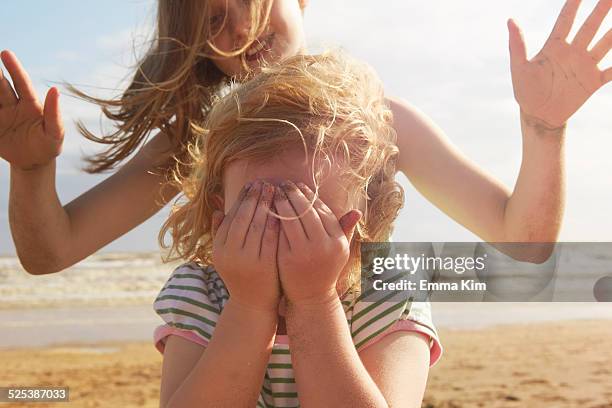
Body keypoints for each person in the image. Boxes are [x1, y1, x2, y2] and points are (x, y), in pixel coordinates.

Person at [2, 0, 610, 274]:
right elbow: (50, 252)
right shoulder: (194, 140)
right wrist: (31, 173)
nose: (240, 25)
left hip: (359, 353)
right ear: (195, 42)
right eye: (213, 19)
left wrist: (544, 130)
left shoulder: (378, 118)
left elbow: (523, 243)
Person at [154, 51, 441, 407]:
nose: (285, 237)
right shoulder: (200, 294)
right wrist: (247, 306)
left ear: (366, 217)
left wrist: (315, 303)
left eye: (312, 217)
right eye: (255, 212)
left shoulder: (388, 291)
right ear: (220, 212)